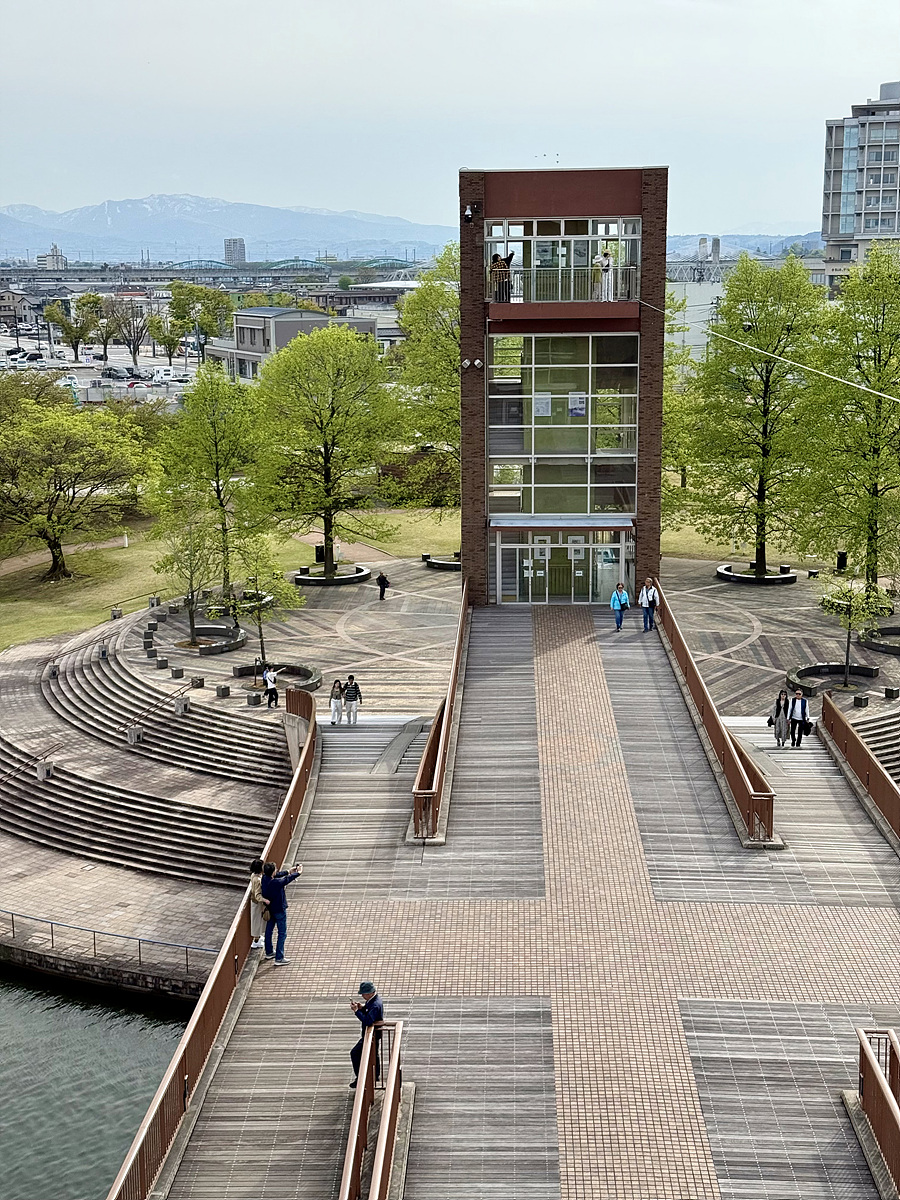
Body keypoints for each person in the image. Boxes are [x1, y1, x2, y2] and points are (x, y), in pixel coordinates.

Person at [260, 859, 302, 965]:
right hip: (279, 909)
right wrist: (298, 873)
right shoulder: (276, 882)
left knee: (269, 931)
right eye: (275, 869)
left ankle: (269, 952)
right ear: (272, 872)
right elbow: (286, 880)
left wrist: (288, 871)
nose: (277, 870)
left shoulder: (265, 878)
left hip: (270, 909)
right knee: (282, 933)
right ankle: (279, 957)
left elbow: (279, 875)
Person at [349, 980, 384, 1089]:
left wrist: (356, 1011)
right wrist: (362, 1008)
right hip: (373, 1034)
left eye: (363, 994)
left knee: (355, 1053)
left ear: (369, 993)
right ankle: (375, 1076)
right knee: (374, 1054)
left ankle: (360, 1078)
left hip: (371, 1034)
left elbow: (368, 1021)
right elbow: (368, 1012)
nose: (362, 996)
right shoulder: (373, 1001)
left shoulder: (375, 1004)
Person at [248, 858, 265, 949]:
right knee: (256, 920)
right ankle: (256, 941)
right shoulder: (257, 879)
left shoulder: (253, 875)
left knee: (256, 919)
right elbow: (257, 894)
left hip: (254, 901)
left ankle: (257, 938)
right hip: (257, 902)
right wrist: (264, 900)